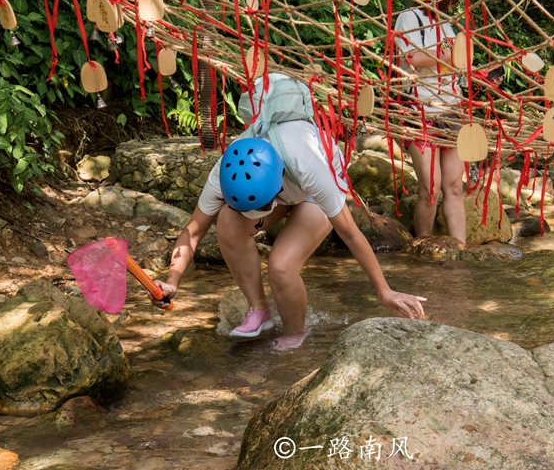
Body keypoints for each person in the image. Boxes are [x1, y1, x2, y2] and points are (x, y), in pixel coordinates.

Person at [148, 129, 427, 350]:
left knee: (281, 266)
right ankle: (259, 310)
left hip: (314, 192)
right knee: (228, 221)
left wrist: (384, 290)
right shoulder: (225, 174)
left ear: (278, 186)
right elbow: (193, 232)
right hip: (283, 187)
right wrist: (172, 281)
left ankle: (296, 335)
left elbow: (350, 232)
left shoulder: (311, 169)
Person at [394, 0, 467, 243]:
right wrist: (451, 56)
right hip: (420, 111)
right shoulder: (409, 17)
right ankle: (422, 247)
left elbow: (455, 64)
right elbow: (411, 59)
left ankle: (460, 251)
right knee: (430, 189)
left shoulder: (446, 23)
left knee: (453, 187)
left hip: (452, 109)